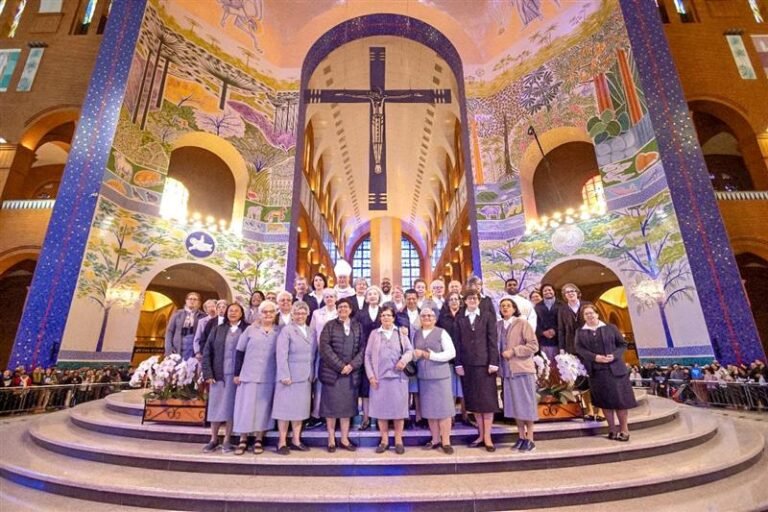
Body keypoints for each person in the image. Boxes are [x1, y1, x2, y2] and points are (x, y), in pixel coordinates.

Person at [575, 304, 637, 441]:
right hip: (597, 371)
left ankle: (624, 429)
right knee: (605, 402)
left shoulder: (610, 328)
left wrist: (614, 355)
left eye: (592, 313)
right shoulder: (580, 332)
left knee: (620, 401)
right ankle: (612, 429)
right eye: (586, 314)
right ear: (583, 317)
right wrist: (595, 357)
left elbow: (622, 344)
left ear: (597, 314)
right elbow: (579, 349)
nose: (589, 316)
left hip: (615, 370)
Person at [454, 289, 499, 451]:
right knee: (475, 402)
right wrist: (458, 363)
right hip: (467, 366)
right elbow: (457, 343)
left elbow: (493, 340)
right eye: (469, 298)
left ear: (479, 300)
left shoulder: (487, 316)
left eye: (475, 298)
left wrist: (493, 361)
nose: (472, 300)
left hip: (485, 364)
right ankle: (480, 434)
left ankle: (488, 437)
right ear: (465, 301)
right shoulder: (460, 319)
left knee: (487, 402)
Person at [365, 304, 413, 454]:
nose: (386, 318)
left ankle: (398, 440)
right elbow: (367, 356)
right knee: (381, 411)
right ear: (380, 318)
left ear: (393, 318)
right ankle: (384, 440)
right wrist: (371, 375)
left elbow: (410, 351)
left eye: (389, 315)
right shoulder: (374, 334)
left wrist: (403, 360)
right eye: (383, 315)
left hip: (398, 379)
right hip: (380, 379)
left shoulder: (400, 333)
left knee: (399, 411)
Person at [233, 300, 278, 455]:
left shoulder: (278, 332)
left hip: (268, 376)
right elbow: (239, 351)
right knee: (246, 407)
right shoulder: (250, 330)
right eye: (265, 312)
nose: (268, 315)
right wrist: (237, 373)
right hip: (248, 374)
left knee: (263, 409)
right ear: (260, 313)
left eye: (271, 312)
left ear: (275, 314)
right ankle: (243, 439)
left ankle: (259, 439)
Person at [318, 298, 364, 452]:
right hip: (332, 374)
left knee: (347, 409)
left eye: (346, 307)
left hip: (350, 375)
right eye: (340, 307)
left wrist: (351, 365)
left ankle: (344, 439)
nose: (343, 309)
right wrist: (340, 366)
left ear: (351, 310)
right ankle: (331, 439)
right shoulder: (329, 326)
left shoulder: (357, 326)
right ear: (336, 309)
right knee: (330, 408)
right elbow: (324, 348)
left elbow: (363, 349)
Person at [202, 303, 248, 453]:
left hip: (237, 376)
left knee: (231, 408)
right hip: (218, 375)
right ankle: (213, 439)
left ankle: (227, 439)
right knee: (215, 407)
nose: (233, 313)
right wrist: (208, 373)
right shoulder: (218, 329)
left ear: (242, 313)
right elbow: (207, 351)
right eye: (230, 310)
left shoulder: (246, 329)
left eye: (236, 310)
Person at [272, 301, 315, 454]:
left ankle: (296, 440)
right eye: (297, 313)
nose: (300, 315)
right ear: (292, 314)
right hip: (289, 377)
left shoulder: (311, 331)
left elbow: (313, 355)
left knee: (300, 410)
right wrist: (284, 374)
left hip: (305, 377)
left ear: (307, 314)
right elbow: (281, 354)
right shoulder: (287, 330)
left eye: (303, 313)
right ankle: (282, 442)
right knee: (284, 410)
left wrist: (313, 373)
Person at [413, 307, 456, 454]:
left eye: (430, 316)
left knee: (444, 411)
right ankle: (435, 439)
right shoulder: (417, 334)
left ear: (435, 319)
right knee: (430, 410)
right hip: (424, 377)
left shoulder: (442, 333)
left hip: (440, 377)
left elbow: (451, 353)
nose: (426, 318)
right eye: (423, 316)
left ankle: (446, 441)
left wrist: (430, 356)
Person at [498, 298, 539, 451]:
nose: (505, 308)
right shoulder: (499, 326)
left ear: (514, 309)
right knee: (515, 405)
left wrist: (514, 351)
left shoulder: (522, 323)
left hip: (522, 369)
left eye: (508, 306)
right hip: (508, 372)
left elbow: (533, 345)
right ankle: (521, 436)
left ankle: (531, 438)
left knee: (526, 404)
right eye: (502, 306)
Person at [355, 285, 384, 430]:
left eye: (375, 294)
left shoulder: (384, 312)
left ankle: (379, 418)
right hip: (364, 352)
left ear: (379, 297)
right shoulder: (360, 314)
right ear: (366, 298)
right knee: (366, 387)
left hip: (381, 353)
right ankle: (366, 418)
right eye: (370, 294)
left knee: (380, 385)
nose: (372, 296)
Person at [438, 290, 469, 425]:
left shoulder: (465, 315)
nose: (454, 301)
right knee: (451, 388)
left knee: (464, 386)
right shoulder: (443, 317)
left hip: (465, 355)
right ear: (447, 302)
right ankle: (451, 415)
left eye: (456, 299)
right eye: (451, 299)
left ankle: (465, 414)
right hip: (450, 357)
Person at [308, 288, 339, 424]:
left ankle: (335, 414)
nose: (329, 299)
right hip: (321, 353)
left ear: (336, 298)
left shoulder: (341, 312)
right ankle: (317, 414)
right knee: (319, 384)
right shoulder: (316, 313)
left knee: (336, 384)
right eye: (326, 297)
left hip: (337, 353)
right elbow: (312, 333)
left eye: (332, 296)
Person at [165, 292, 205, 359]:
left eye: (195, 299)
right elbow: (169, 332)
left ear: (199, 302)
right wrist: (169, 349)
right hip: (178, 347)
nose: (192, 301)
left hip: (193, 348)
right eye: (190, 299)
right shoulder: (177, 314)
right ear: (186, 301)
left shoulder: (202, 316)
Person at [534, 283, 561, 362]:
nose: (547, 292)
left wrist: (555, 330)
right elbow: (535, 323)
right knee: (546, 366)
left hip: (559, 340)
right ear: (542, 293)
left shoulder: (562, 305)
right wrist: (542, 332)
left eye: (549, 290)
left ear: (554, 291)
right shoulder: (538, 306)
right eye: (545, 291)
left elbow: (564, 322)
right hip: (543, 341)